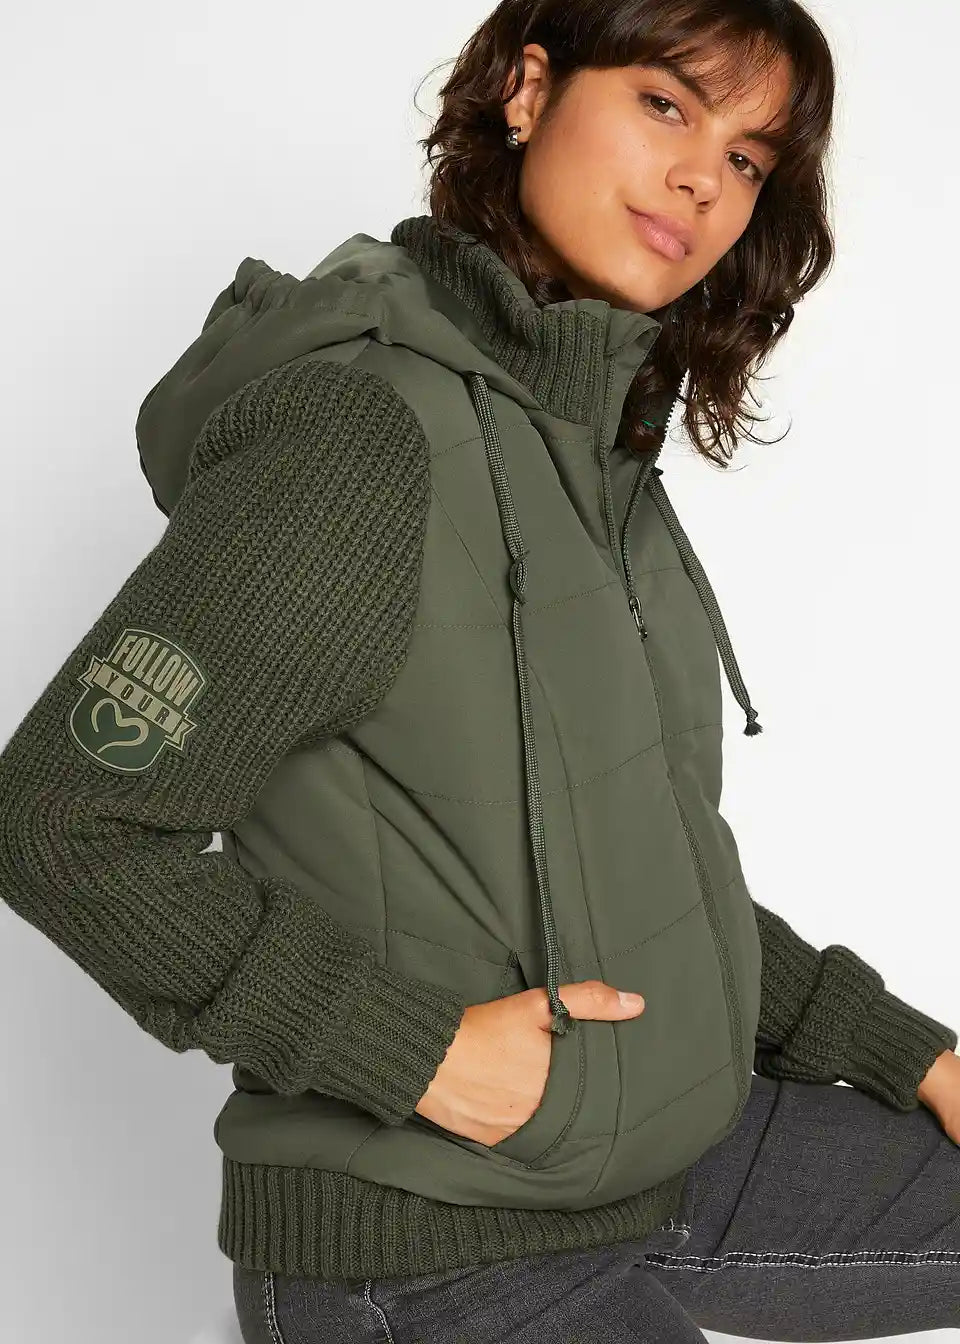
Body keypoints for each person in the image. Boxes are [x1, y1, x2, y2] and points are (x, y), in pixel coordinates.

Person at [1, 0, 958, 1339]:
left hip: (655, 1158)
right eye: (667, 105)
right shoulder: (363, 437)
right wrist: (417, 1055)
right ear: (527, 89)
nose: (704, 178)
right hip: (433, 1243)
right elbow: (61, 822)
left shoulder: (591, 458)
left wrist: (911, 1052)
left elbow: (641, 878)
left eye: (748, 159)